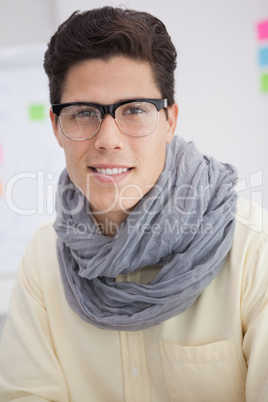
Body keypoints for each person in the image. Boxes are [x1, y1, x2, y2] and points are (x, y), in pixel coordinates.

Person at [0, 6, 268, 402]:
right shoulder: (43, 259)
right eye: (84, 113)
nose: (108, 139)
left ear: (170, 121)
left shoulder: (251, 248)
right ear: (57, 127)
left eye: (135, 110)